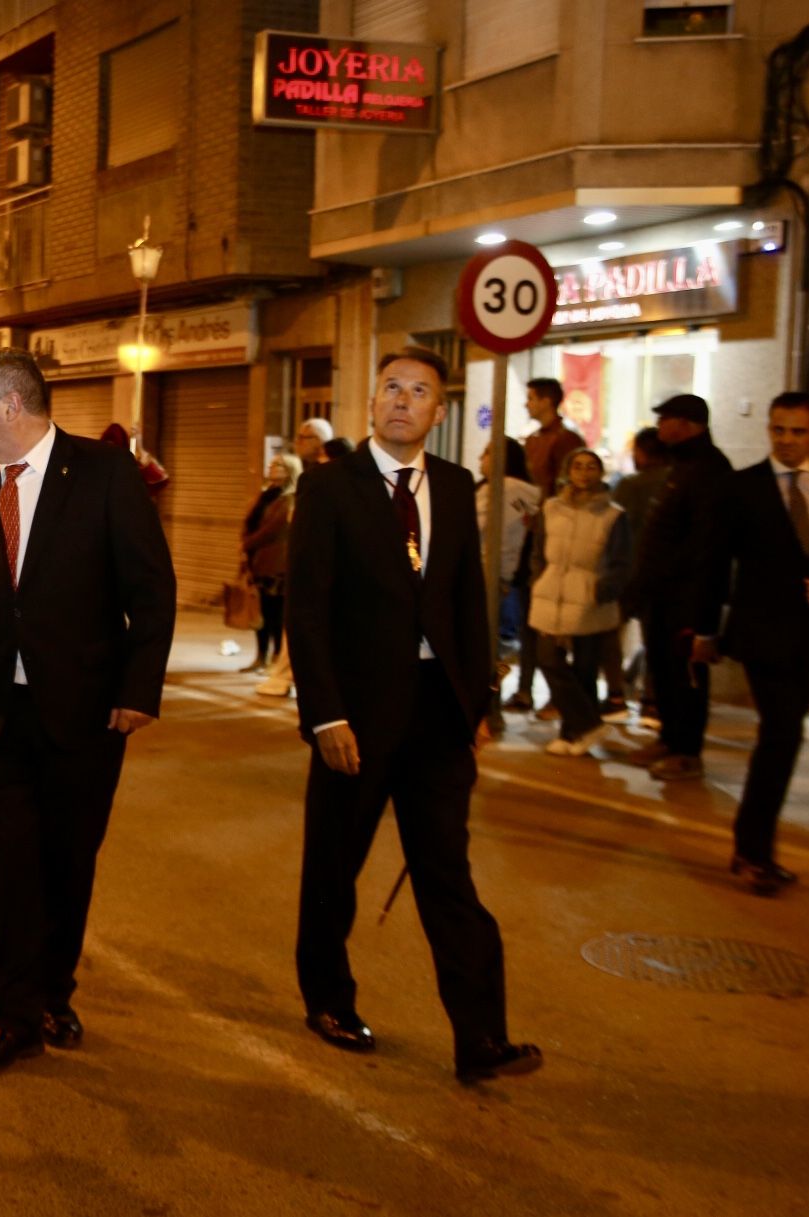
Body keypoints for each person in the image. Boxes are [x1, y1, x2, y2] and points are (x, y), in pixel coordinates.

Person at [0, 348, 176, 1075]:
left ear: (9, 404)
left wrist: (135, 691)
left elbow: (151, 593)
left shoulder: (103, 474)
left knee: (67, 862)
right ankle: (11, 1015)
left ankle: (54, 992)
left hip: (85, 714)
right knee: (8, 866)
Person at [286, 346, 539, 1084]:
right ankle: (328, 999)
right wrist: (324, 714)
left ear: (438, 410)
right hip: (354, 717)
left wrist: (476, 707)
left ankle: (480, 1037)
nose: (402, 400)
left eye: (419, 390)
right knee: (333, 868)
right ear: (371, 403)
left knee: (446, 875)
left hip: (436, 716)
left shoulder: (458, 487)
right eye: (390, 387)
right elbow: (307, 610)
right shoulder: (330, 489)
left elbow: (467, 603)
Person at [692, 392, 809, 895]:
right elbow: (713, 565)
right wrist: (704, 631)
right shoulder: (741, 490)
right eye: (778, 429)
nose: (786, 440)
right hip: (768, 637)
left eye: (798, 432)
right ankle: (752, 851)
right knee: (781, 736)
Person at [623, 394, 732, 781]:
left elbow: (709, 545)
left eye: (666, 419)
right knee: (664, 671)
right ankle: (669, 738)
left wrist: (704, 613)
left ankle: (688, 752)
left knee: (686, 677)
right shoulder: (679, 465)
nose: (659, 427)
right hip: (662, 596)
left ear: (687, 424)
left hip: (688, 597)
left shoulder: (709, 469)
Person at [529, 448, 630, 756]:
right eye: (578, 467)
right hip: (551, 592)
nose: (584, 473)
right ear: (567, 471)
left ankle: (573, 734)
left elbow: (621, 561)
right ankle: (589, 725)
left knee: (585, 667)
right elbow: (537, 552)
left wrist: (600, 592)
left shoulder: (613, 515)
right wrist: (538, 581)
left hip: (588, 596)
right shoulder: (551, 508)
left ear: (600, 473)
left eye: (591, 467)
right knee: (548, 659)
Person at [506, 379, 585, 715]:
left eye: (531, 398)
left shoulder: (566, 440)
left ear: (548, 401)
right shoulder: (533, 440)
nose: (527, 405)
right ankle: (524, 690)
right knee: (528, 616)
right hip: (530, 538)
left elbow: (568, 492)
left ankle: (561, 695)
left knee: (553, 622)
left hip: (555, 542)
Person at [255, 419, 338, 700]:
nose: (301, 441)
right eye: (300, 435)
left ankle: (288, 677)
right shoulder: (309, 475)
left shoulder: (328, 476)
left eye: (308, 436)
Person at [604, 427, 669, 724]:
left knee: (610, 635)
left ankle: (616, 695)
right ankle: (651, 701)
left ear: (641, 453)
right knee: (655, 639)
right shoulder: (674, 482)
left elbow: (611, 525)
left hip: (626, 572)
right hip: (660, 575)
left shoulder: (630, 485)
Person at [475, 438, 541, 665]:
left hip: (489, 575)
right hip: (517, 577)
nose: (480, 459)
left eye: (486, 453)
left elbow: (476, 530)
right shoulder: (533, 494)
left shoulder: (495, 489)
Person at [242, 454, 303, 673]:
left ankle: (277, 656)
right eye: (272, 463)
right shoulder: (266, 495)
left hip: (276, 563)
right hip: (258, 560)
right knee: (261, 613)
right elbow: (251, 521)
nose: (272, 467)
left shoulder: (290, 498)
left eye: (278, 465)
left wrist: (248, 542)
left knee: (276, 613)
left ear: (289, 470)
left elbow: (273, 530)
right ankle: (260, 656)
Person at [98, 422, 171, 498]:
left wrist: (140, 448)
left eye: (114, 448)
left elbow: (162, 479)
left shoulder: (131, 472)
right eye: (107, 447)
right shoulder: (96, 470)